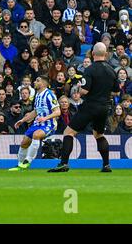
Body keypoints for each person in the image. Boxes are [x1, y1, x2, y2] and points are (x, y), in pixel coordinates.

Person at [49, 42, 120, 173]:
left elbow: (85, 91)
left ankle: (63, 164)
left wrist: (79, 89)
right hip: (104, 107)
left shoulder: (90, 69)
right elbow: (116, 91)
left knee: (68, 132)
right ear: (105, 54)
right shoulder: (111, 70)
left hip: (90, 105)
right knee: (99, 134)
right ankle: (106, 165)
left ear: (93, 54)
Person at [9, 75, 61, 171]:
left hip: (49, 124)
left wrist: (45, 118)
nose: (34, 82)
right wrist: (23, 120)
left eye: (37, 81)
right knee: (24, 142)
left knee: (36, 135)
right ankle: (20, 165)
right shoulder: (37, 95)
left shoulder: (50, 95)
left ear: (44, 83)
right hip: (37, 124)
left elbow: (58, 112)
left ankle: (27, 161)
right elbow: (36, 111)